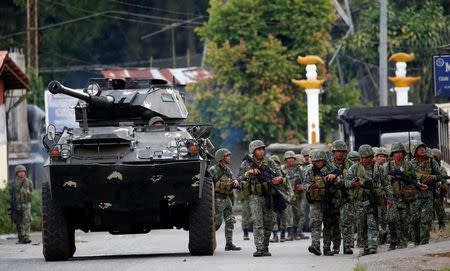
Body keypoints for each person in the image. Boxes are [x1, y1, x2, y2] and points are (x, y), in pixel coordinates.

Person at [344, 145, 393, 256]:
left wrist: (389, 197)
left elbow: (386, 184)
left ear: (372, 157)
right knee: (362, 225)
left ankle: (372, 245)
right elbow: (345, 182)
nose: (365, 160)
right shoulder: (354, 168)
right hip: (360, 202)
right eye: (363, 158)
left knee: (372, 223)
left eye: (367, 157)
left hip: (374, 200)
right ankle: (366, 246)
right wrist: (352, 183)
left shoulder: (379, 168)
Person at [238, 140, 283, 257]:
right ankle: (259, 248)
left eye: (263, 149)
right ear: (253, 151)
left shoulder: (270, 162)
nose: (261, 151)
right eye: (258, 149)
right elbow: (238, 180)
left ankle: (265, 247)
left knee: (269, 222)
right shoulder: (246, 164)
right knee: (258, 222)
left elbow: (280, 175)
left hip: (269, 195)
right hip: (255, 196)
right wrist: (248, 173)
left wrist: (279, 179)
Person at [385, 142, 424, 250]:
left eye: (400, 152)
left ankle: (403, 243)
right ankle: (393, 241)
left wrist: (414, 183)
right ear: (393, 154)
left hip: (405, 198)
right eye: (396, 152)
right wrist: (387, 177)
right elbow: (381, 178)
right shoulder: (388, 165)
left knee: (404, 222)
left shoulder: (408, 165)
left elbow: (413, 179)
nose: (398, 154)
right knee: (392, 219)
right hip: (392, 197)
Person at [304, 149, 341, 256]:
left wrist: (334, 177)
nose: (319, 163)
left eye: (321, 161)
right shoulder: (310, 171)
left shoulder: (332, 169)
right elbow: (305, 184)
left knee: (328, 224)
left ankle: (326, 247)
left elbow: (340, 181)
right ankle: (315, 245)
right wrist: (311, 186)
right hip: (315, 201)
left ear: (324, 161)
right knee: (316, 222)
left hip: (329, 200)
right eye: (316, 161)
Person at [208, 148, 241, 251]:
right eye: (227, 156)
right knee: (216, 222)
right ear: (221, 158)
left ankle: (229, 243)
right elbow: (207, 184)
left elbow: (231, 179)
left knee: (230, 221)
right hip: (217, 198)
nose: (229, 157)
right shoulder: (213, 170)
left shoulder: (227, 170)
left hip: (226, 199)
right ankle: (207, 241)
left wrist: (235, 182)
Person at [411, 141, 443, 245]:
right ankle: (417, 240)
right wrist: (417, 183)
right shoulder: (411, 164)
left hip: (428, 195)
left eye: (423, 147)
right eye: (419, 148)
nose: (422, 149)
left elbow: (440, 176)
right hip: (415, 195)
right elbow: (408, 179)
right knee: (415, 220)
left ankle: (424, 242)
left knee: (425, 220)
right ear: (414, 151)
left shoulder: (431, 161)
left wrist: (433, 177)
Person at [329, 140, 353, 254]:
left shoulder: (351, 165)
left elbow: (352, 181)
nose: (339, 154)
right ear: (333, 152)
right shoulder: (327, 164)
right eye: (337, 151)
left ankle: (347, 245)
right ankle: (336, 245)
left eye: (342, 151)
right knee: (334, 223)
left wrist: (339, 180)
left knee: (346, 221)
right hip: (332, 198)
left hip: (346, 197)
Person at [269, 154, 293, 243]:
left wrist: (288, 200)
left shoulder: (283, 174)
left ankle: (283, 234)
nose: (274, 165)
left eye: (276, 163)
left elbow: (289, 188)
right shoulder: (267, 174)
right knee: (273, 218)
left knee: (284, 218)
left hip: (283, 199)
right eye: (272, 163)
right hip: (272, 198)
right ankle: (275, 235)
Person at [8, 165, 33, 244]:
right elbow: (10, 194)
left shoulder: (29, 182)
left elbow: (31, 191)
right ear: (17, 173)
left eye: (23, 172)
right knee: (18, 222)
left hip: (26, 205)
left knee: (27, 220)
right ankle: (21, 238)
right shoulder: (13, 183)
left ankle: (26, 237)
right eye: (20, 172)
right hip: (17, 205)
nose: (22, 173)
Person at [432, 148, 448, 230]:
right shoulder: (429, 167)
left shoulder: (441, 169)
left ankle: (442, 226)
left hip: (438, 191)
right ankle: (432, 228)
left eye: (434, 157)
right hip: (430, 191)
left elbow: (444, 179)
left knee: (440, 210)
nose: (433, 159)